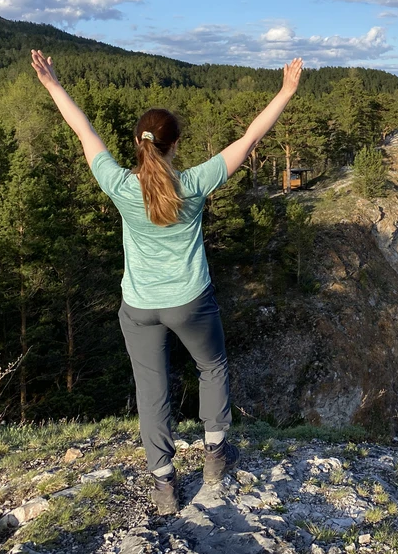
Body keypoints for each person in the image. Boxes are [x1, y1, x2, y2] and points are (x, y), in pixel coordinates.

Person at [30, 49, 303, 514]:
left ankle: (163, 485)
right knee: (211, 367)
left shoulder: (119, 185)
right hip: (190, 302)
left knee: (151, 389)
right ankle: (215, 457)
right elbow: (252, 136)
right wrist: (286, 91)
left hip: (139, 307)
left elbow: (84, 131)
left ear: (139, 144)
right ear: (174, 145)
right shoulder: (194, 183)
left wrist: (55, 85)